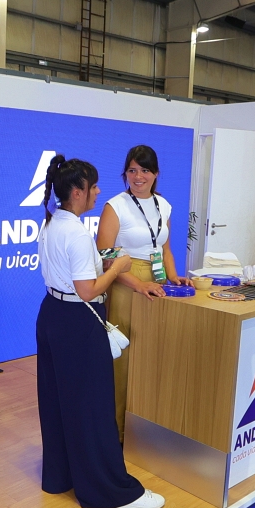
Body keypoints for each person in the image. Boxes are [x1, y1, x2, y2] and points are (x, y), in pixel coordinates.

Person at [36, 154, 165, 508]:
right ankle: (109, 490)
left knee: (60, 401)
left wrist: (104, 266)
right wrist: (119, 267)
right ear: (78, 192)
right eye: (93, 187)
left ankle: (62, 476)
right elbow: (87, 290)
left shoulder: (51, 223)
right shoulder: (77, 233)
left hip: (52, 314)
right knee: (93, 406)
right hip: (78, 321)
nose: (98, 192)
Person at [95, 145, 188, 440]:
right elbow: (105, 256)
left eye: (145, 170)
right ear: (125, 173)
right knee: (123, 359)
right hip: (125, 281)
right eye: (132, 170)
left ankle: (144, 428)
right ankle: (117, 431)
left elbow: (165, 249)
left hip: (156, 282)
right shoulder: (116, 206)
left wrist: (173, 277)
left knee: (152, 355)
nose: (138, 176)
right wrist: (138, 284)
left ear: (156, 173)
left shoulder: (164, 205)